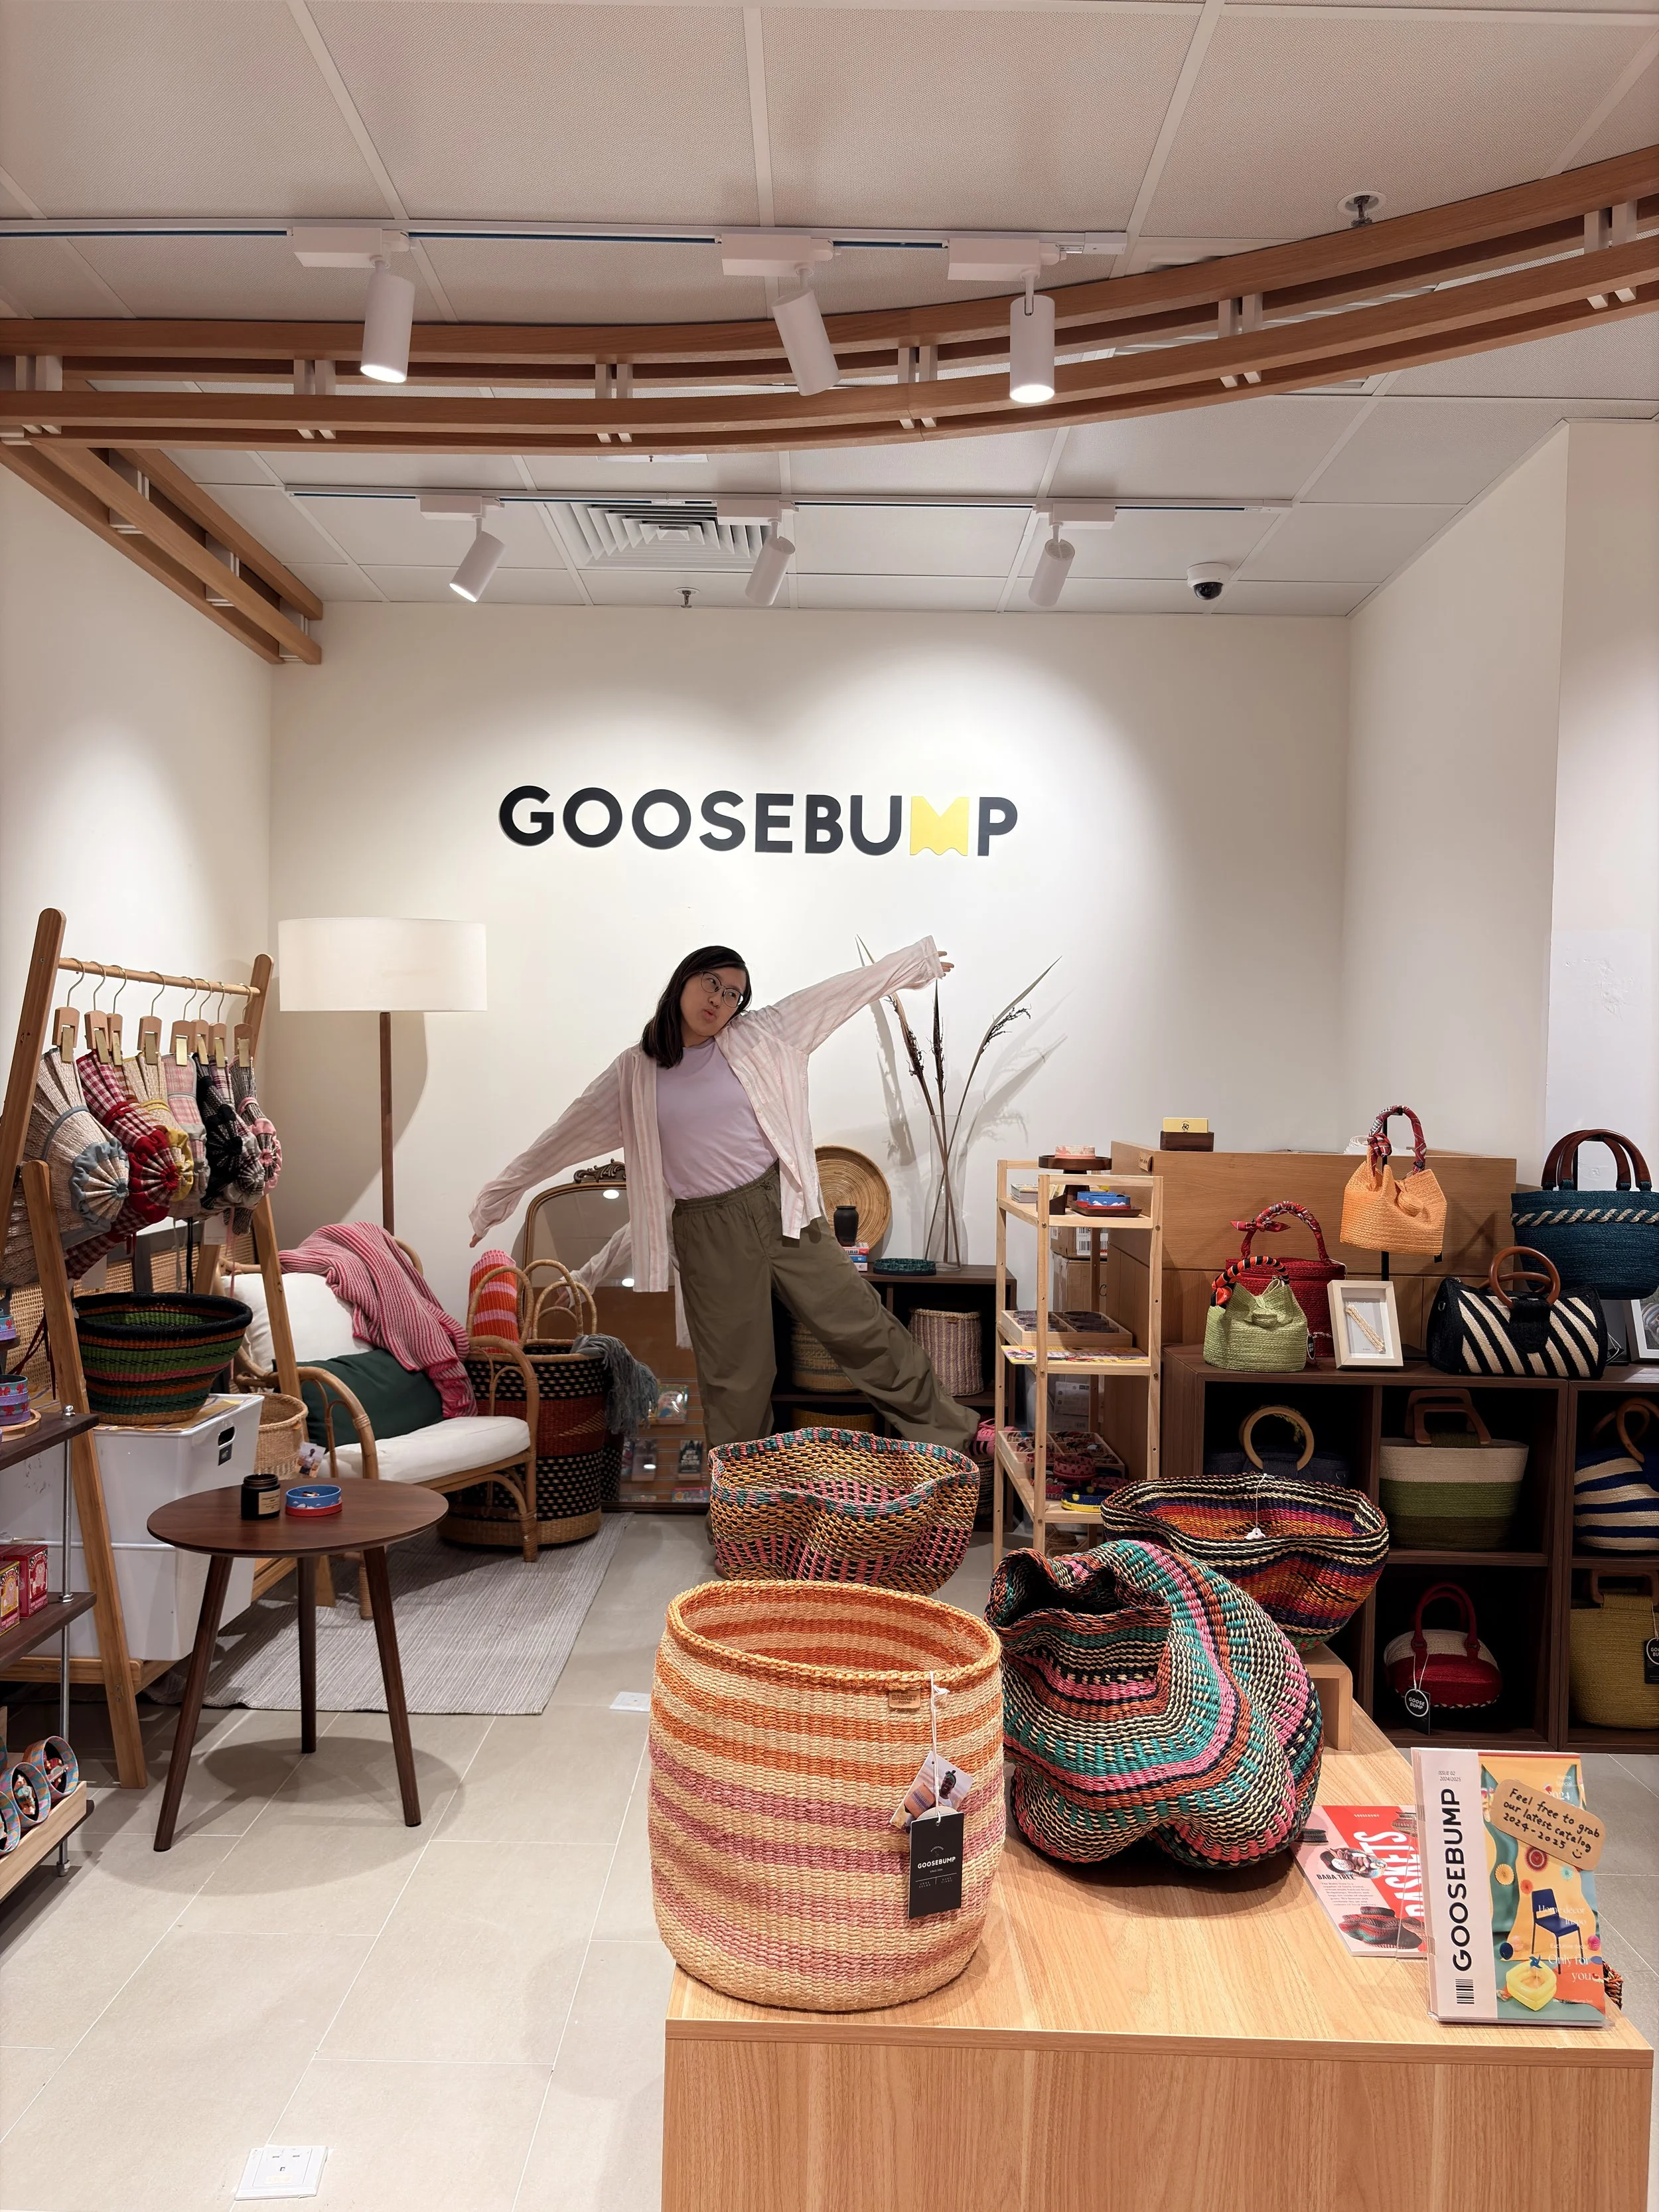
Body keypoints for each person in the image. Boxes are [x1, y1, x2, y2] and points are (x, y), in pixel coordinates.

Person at [469, 940, 976, 1453]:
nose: (719, 999)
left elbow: (834, 996)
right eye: (712, 982)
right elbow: (564, 1136)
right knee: (737, 1377)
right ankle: (745, 1508)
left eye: (734, 994)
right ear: (684, 980)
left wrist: (915, 965)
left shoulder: (762, 1034)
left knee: (863, 1328)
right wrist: (500, 1196)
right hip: (707, 1230)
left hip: (784, 1209)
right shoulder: (633, 1073)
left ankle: (958, 1440)